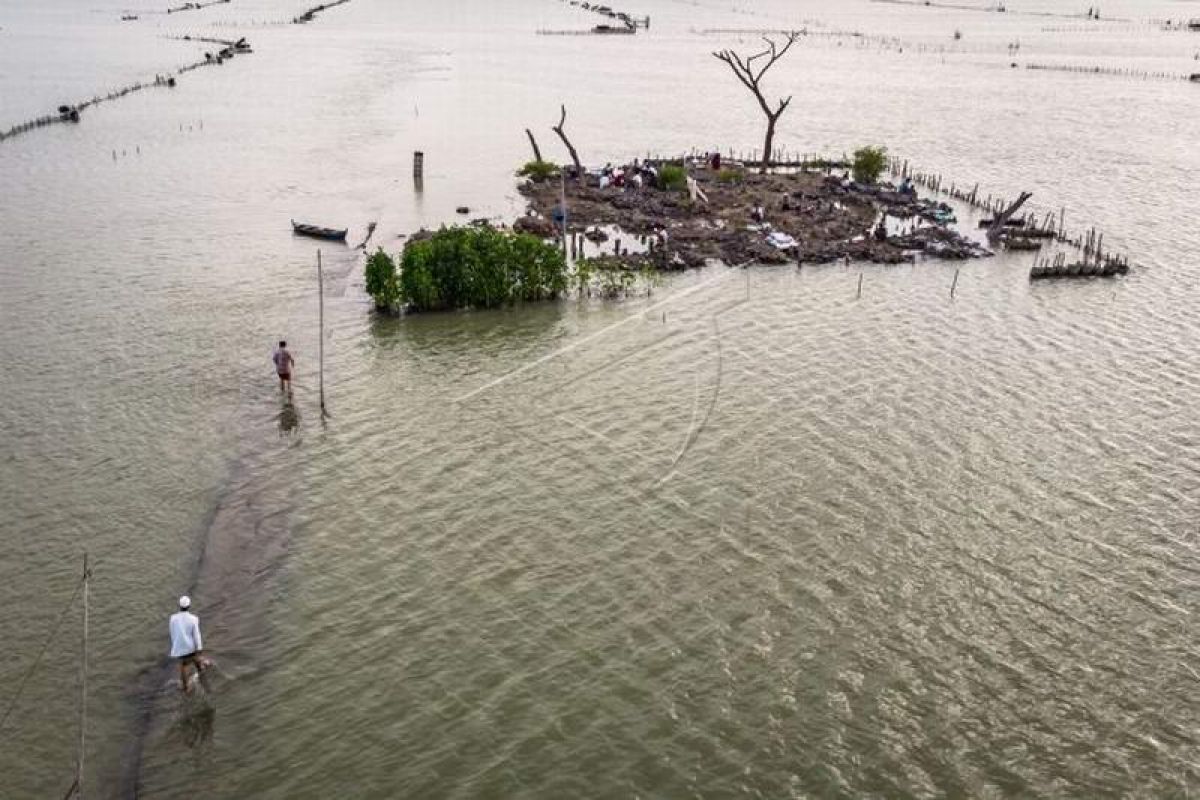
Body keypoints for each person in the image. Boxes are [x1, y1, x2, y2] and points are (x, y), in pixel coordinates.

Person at [169, 596, 204, 694]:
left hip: (179, 647)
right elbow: (197, 635)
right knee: (196, 660)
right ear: (189, 606)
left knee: (183, 666)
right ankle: (201, 673)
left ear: (179, 606)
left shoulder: (173, 618)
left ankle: (186, 687)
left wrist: (175, 646)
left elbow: (172, 632)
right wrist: (199, 648)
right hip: (191, 647)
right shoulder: (193, 619)